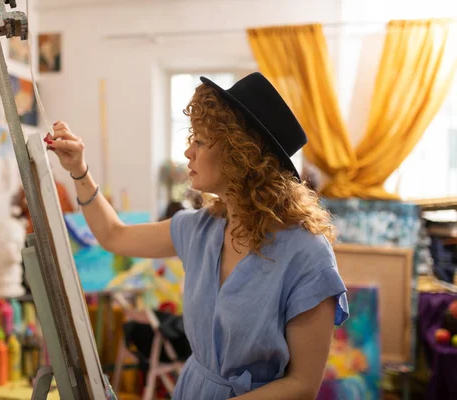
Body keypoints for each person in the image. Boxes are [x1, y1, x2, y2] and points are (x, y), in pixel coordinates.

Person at [45, 72, 349, 399]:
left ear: (240, 155)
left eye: (201, 141)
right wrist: (78, 169)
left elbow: (302, 385)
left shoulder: (307, 255)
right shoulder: (200, 228)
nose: (188, 152)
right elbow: (114, 236)